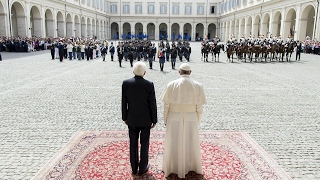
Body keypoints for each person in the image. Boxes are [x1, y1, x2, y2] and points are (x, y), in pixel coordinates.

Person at [161, 63, 206, 178]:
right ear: (190, 72)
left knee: (173, 140)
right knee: (191, 140)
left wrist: (166, 119)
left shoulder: (171, 85)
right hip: (191, 116)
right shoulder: (198, 85)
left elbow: (166, 105)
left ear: (179, 72)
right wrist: (197, 120)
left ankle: (172, 166)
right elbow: (199, 108)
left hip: (173, 115)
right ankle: (191, 165)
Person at [122, 61, 157, 176]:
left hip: (132, 118)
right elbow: (152, 103)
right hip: (146, 119)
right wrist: (154, 119)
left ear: (133, 71)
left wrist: (124, 117)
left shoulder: (126, 83)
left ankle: (133, 167)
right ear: (145, 73)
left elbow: (124, 102)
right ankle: (143, 167)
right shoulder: (149, 84)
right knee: (144, 143)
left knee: (133, 143)